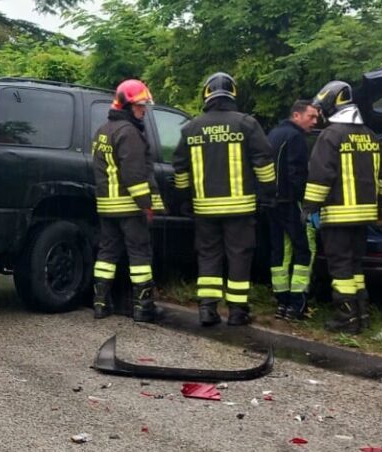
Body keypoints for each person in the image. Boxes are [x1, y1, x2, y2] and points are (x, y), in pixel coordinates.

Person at [171, 72, 276, 327]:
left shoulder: (190, 128)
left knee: (208, 256)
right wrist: (267, 195)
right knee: (239, 256)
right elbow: (264, 163)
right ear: (233, 93)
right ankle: (238, 312)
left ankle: (207, 309)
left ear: (206, 94)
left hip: (204, 209)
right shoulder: (247, 124)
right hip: (241, 209)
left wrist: (185, 200)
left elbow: (180, 169)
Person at [303, 81, 382, 333]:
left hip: (338, 215)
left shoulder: (330, 136)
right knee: (355, 267)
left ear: (332, 105)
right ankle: (361, 315)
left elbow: (321, 177)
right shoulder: (370, 135)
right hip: (365, 216)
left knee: (340, 267)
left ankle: (346, 318)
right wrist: (380, 206)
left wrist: (309, 208)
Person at [90, 79, 165, 323]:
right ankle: (144, 307)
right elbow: (134, 175)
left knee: (107, 253)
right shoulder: (129, 132)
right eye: (140, 106)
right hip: (130, 207)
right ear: (127, 105)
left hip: (106, 205)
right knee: (140, 255)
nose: (143, 110)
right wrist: (146, 204)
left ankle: (100, 303)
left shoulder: (102, 131)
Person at [267, 100, 321, 320]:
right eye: (311, 116)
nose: (315, 122)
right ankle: (298, 304)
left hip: (271, 202)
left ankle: (282, 302)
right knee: (304, 249)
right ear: (296, 116)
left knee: (279, 251)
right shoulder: (296, 137)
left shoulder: (274, 134)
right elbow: (296, 173)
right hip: (291, 202)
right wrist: (307, 202)